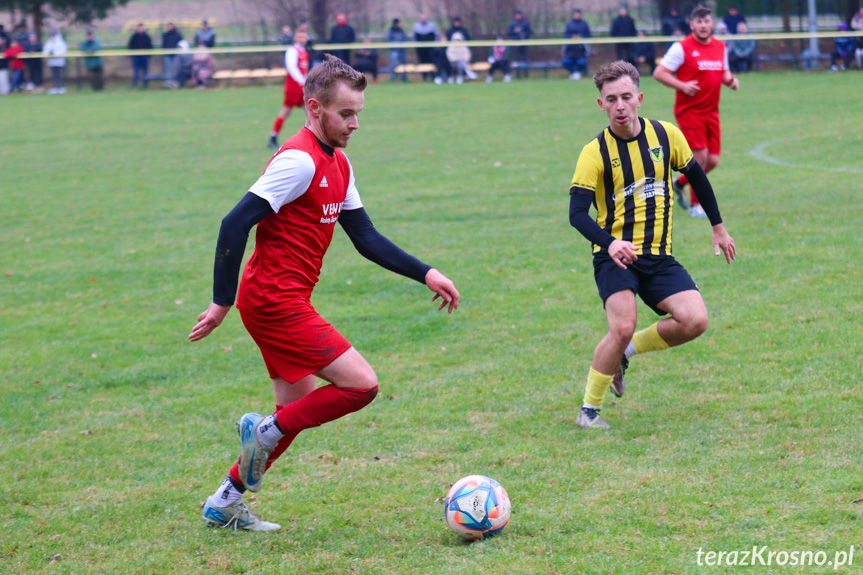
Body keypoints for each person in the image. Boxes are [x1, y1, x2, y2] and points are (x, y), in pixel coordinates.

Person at [190, 55, 460, 531]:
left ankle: (224, 500)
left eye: (358, 113)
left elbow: (366, 238)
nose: (355, 123)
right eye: (345, 114)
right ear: (314, 108)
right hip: (275, 300)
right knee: (361, 384)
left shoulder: (339, 161)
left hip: (283, 298)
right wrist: (220, 301)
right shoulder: (297, 160)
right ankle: (262, 433)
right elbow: (233, 224)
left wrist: (427, 272)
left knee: (294, 409)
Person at [568, 60, 736, 429]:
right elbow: (577, 213)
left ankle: (624, 354)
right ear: (601, 105)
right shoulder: (593, 153)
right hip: (615, 258)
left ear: (639, 98)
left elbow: (697, 178)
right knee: (622, 325)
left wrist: (718, 227)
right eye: (611, 99)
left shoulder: (666, 136)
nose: (620, 106)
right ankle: (588, 411)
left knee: (695, 320)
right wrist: (609, 243)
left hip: (659, 257)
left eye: (626, 97)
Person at [653, 5, 739, 218]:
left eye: (706, 21)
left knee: (713, 161)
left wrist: (731, 81)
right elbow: (659, 73)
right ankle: (694, 205)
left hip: (712, 111)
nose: (703, 25)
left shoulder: (720, 47)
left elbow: (723, 72)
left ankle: (678, 183)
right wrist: (682, 86)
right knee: (699, 156)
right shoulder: (681, 48)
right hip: (689, 111)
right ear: (692, 25)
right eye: (698, 22)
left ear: (712, 24)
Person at [268, 29, 310, 150]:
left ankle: (315, 139)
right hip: (293, 88)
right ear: (295, 38)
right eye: (300, 37)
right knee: (287, 112)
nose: (303, 39)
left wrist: (306, 80)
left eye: (304, 37)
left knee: (310, 112)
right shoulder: (292, 51)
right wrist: (301, 80)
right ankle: (273, 137)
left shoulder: (304, 51)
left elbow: (303, 70)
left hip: (302, 88)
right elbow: (291, 67)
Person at [562, 9, 591, 80]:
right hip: (570, 54)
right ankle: (575, 73)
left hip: (580, 54)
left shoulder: (584, 24)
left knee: (582, 62)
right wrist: (571, 37)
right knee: (565, 62)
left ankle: (576, 73)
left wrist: (580, 37)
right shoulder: (569, 24)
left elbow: (588, 35)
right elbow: (566, 35)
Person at [412, 13, 439, 81]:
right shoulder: (416, 26)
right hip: (421, 49)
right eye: (422, 18)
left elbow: (436, 35)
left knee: (432, 62)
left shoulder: (432, 25)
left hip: (430, 48)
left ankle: (433, 76)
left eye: (424, 18)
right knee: (422, 62)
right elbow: (414, 37)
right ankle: (424, 77)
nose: (423, 19)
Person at [506, 10, 532, 78]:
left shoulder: (525, 22)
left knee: (525, 59)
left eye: (519, 15)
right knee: (517, 59)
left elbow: (530, 32)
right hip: (516, 43)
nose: (517, 16)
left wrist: (524, 35)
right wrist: (514, 32)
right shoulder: (513, 23)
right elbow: (509, 33)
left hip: (524, 43)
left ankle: (526, 73)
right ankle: (518, 74)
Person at [128, 23, 153, 88]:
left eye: (142, 28)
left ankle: (145, 84)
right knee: (136, 71)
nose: (140, 29)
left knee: (145, 71)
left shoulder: (147, 37)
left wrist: (149, 56)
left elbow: (150, 46)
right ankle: (135, 84)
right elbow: (130, 46)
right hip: (136, 57)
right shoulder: (134, 37)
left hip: (145, 57)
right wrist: (131, 56)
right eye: (139, 28)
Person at [43, 30, 67, 95]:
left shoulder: (60, 42)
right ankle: (55, 87)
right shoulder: (49, 43)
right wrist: (49, 53)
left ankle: (61, 87)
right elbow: (45, 51)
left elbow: (63, 50)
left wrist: (55, 53)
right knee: (54, 75)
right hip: (52, 62)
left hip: (59, 62)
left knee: (59, 75)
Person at [162, 22, 183, 88]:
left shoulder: (177, 35)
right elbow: (164, 44)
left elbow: (180, 44)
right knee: (168, 69)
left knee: (175, 68)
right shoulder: (165, 35)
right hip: (167, 55)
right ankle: (168, 83)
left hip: (175, 55)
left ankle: (175, 82)